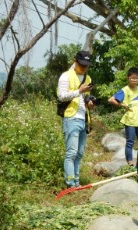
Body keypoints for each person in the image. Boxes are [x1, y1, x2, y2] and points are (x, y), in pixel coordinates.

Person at [57, 50, 95, 188]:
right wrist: (79, 91)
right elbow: (61, 96)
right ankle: (70, 183)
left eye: (86, 65)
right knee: (71, 152)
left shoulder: (88, 79)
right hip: (71, 118)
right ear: (75, 61)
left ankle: (77, 182)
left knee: (79, 153)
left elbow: (86, 99)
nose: (84, 68)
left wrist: (90, 102)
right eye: (81, 65)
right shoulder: (65, 76)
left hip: (84, 119)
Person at [108, 67, 138, 166]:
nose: (135, 80)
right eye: (132, 78)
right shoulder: (125, 90)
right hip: (130, 121)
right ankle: (130, 163)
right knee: (130, 142)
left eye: (137, 78)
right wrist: (123, 105)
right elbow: (111, 99)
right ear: (128, 78)